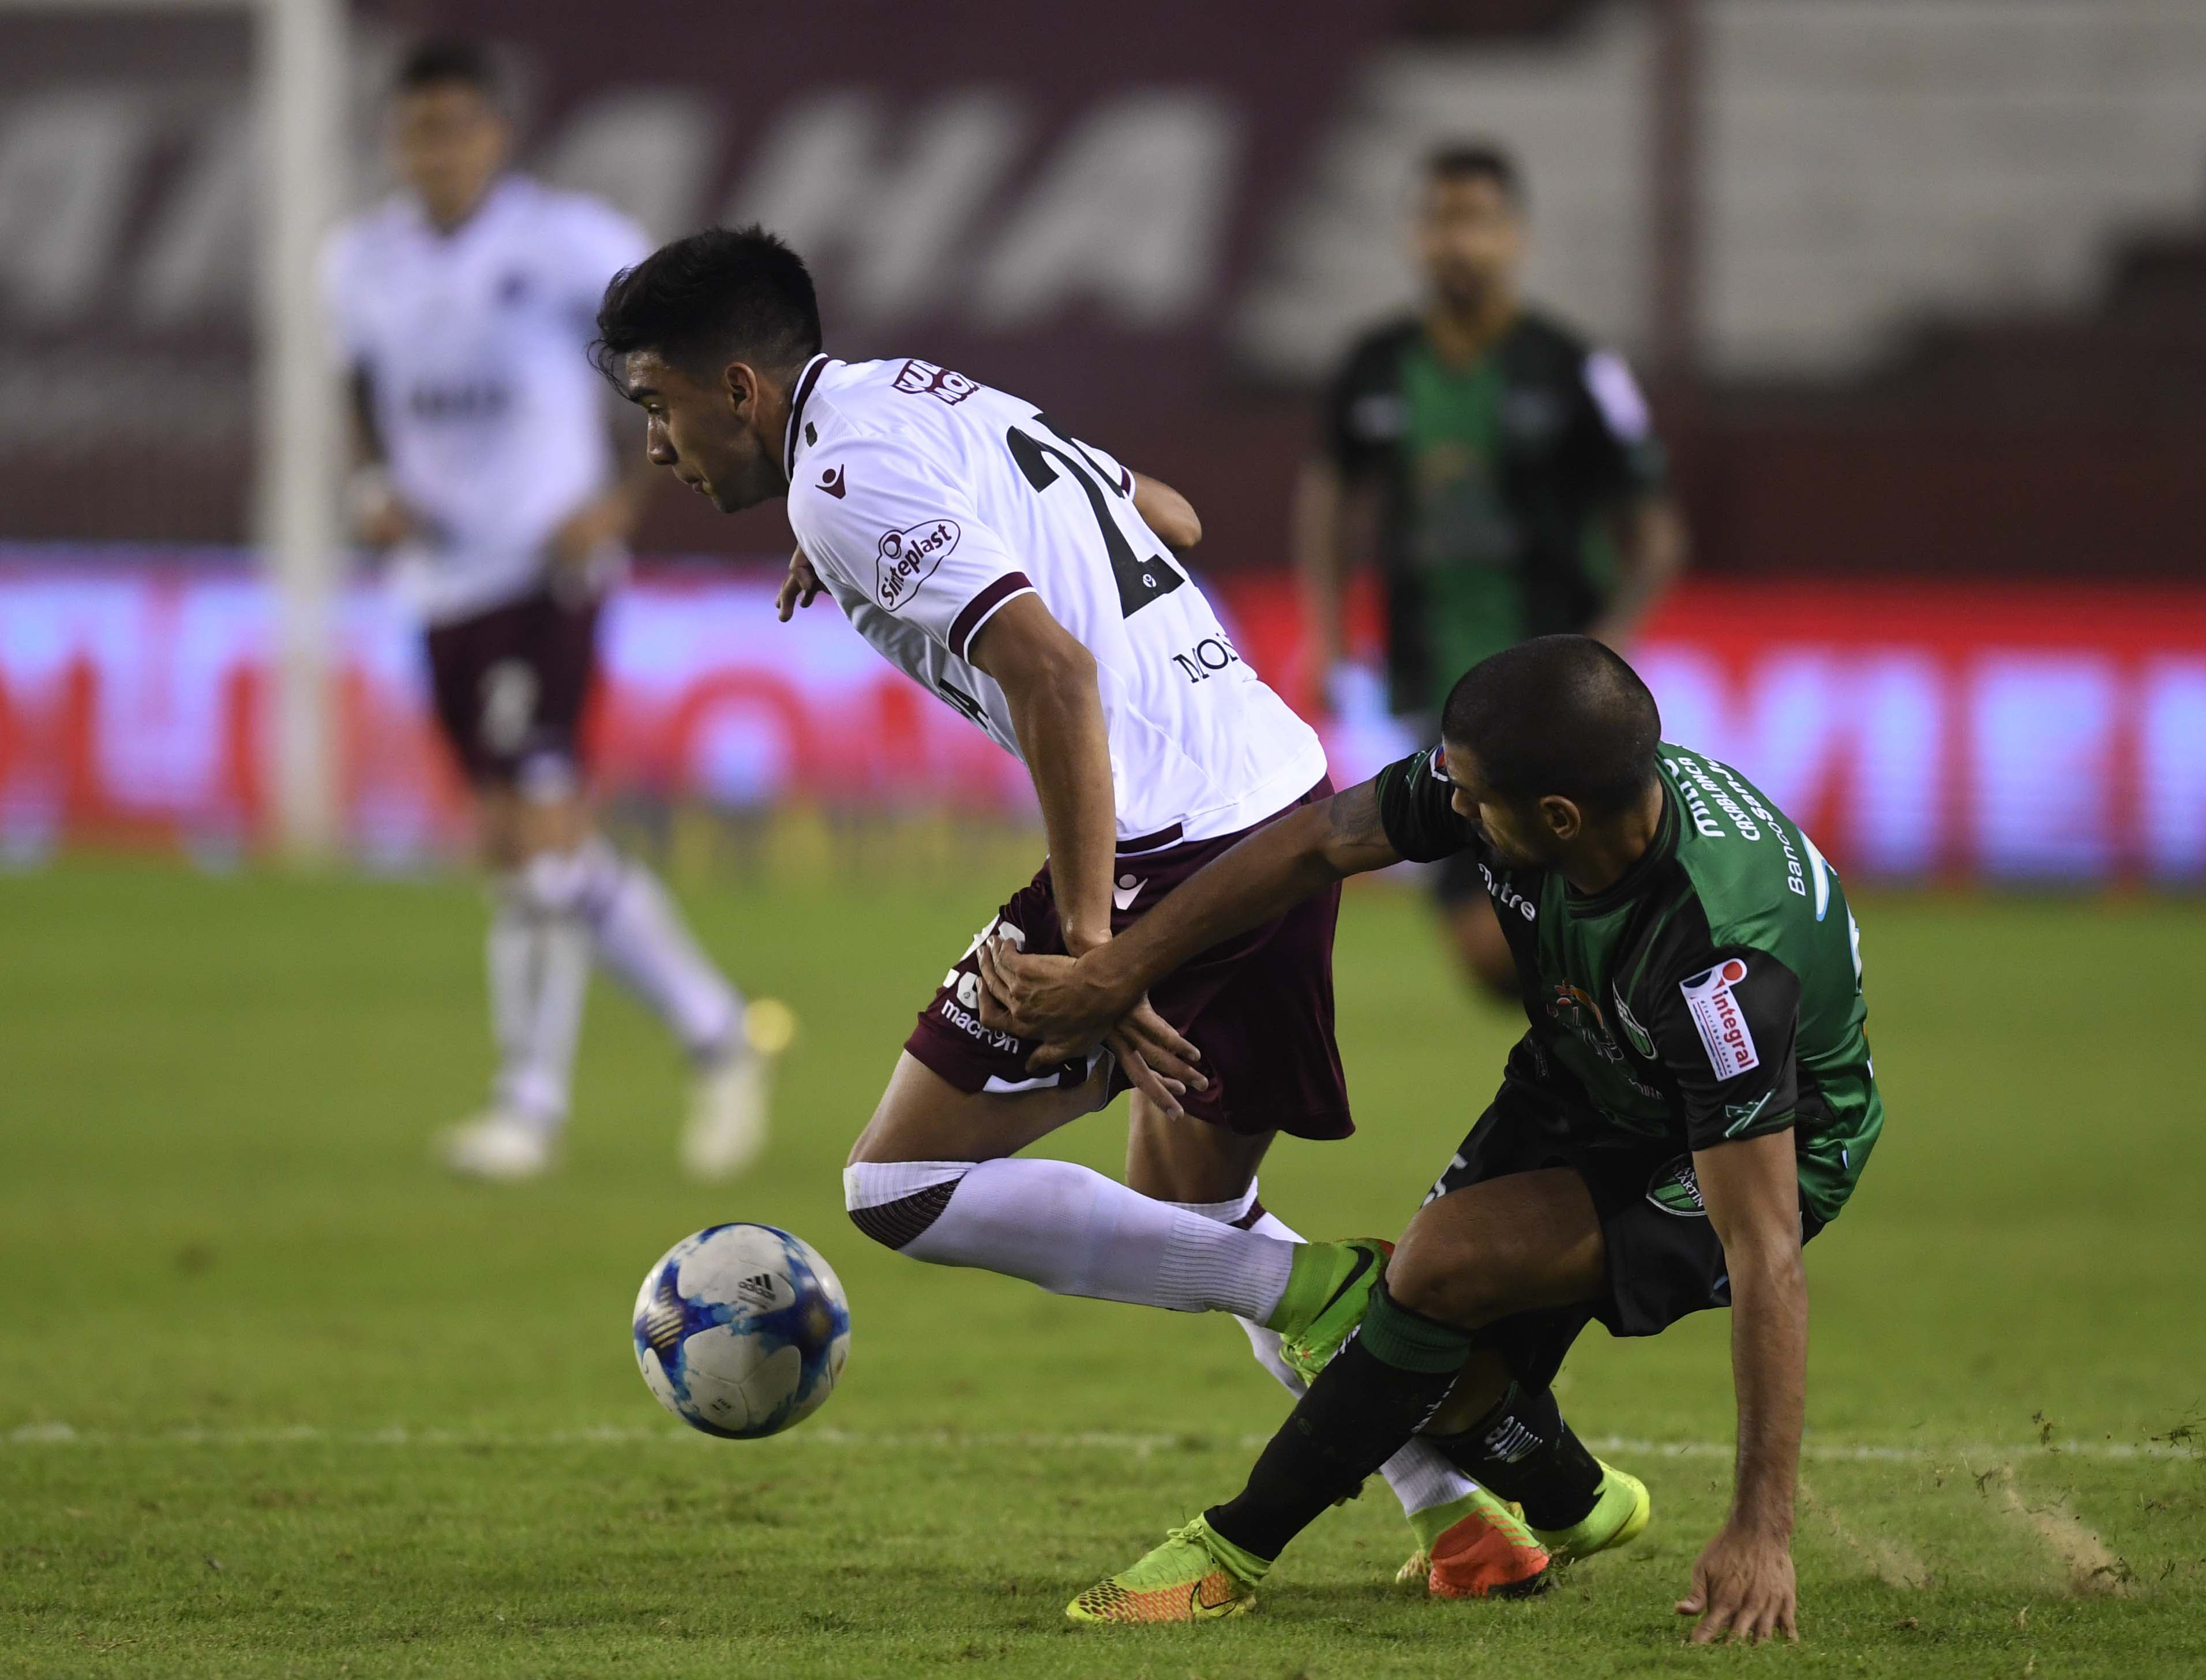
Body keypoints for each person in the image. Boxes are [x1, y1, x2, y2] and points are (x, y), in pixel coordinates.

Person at [590, 224, 1541, 1596]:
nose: (656, 448)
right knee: (1192, 1213)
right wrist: (860, 552)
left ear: (737, 390)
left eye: (657, 407)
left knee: (900, 1185)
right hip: (1275, 788)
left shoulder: (843, 475)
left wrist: (1096, 946)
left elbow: (1053, 675)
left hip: (1169, 842)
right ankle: (1473, 1513)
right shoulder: (920, 394)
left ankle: (1332, 1296)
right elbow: (1168, 514)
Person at [979, 636, 1880, 1640]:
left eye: (1474, 801)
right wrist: (1121, 967)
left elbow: (1764, 1250)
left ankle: (1234, 1548)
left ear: (1558, 820)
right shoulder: (1525, 776)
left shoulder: (1718, 966)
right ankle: (1579, 1501)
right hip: (1591, 1063)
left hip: (1755, 1147)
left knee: (1434, 1274)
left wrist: (1762, 1530)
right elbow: (1320, 841)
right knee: (1418, 1352)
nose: (1452, 810)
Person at [323, 40, 781, 1183]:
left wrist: (619, 498)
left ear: (497, 135)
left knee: (535, 833)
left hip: (546, 574)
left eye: (458, 126)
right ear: (397, 142)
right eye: (419, 129)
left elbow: (672, 347)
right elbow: (357, 387)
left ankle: (527, 1106)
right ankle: (720, 1033)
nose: (439, 151)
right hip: (443, 579)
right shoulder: (358, 262)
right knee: (518, 846)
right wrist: (375, 486)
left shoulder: (564, 241)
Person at [1296, 142, 1687, 1002]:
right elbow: (1327, 500)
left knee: (1565, 909)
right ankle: (1609, 1053)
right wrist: (1326, 635)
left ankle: (1625, 1062)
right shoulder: (1373, 363)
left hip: (1560, 691)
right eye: (1440, 220)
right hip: (1430, 685)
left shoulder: (1575, 366)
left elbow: (1656, 530)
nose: (1456, 241)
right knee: (1490, 945)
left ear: (1514, 237)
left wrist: (1608, 649)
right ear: (1413, 234)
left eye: (1475, 220)